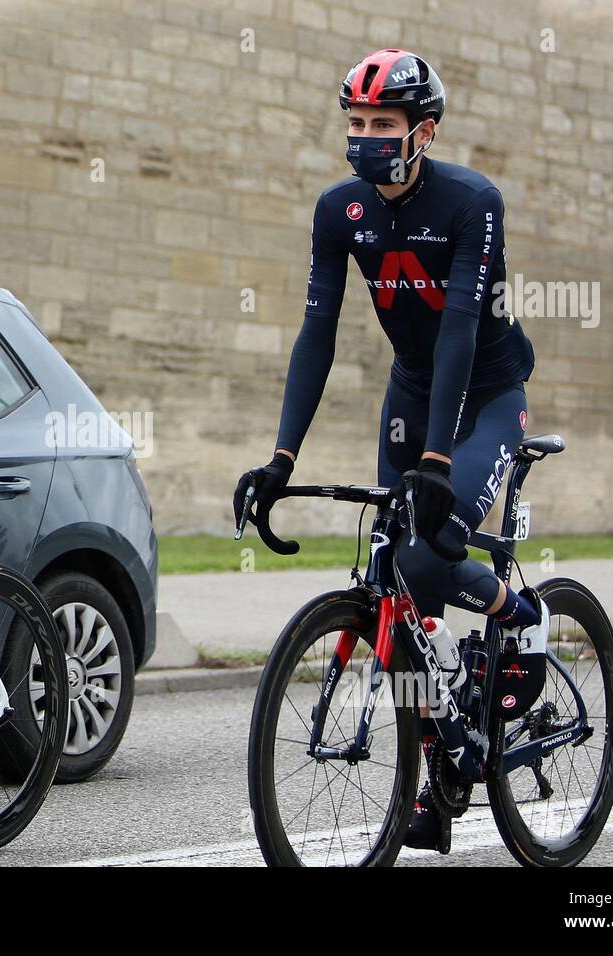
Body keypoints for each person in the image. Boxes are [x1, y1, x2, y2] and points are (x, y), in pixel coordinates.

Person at [233, 49, 547, 853]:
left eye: (382, 125)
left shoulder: (472, 201)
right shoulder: (340, 211)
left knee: (433, 551)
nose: (365, 138)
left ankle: (523, 616)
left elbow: (459, 334)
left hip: (485, 397)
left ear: (423, 131)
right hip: (411, 396)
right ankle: (437, 787)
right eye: (356, 124)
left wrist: (439, 464)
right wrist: (280, 460)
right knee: (404, 593)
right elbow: (317, 334)